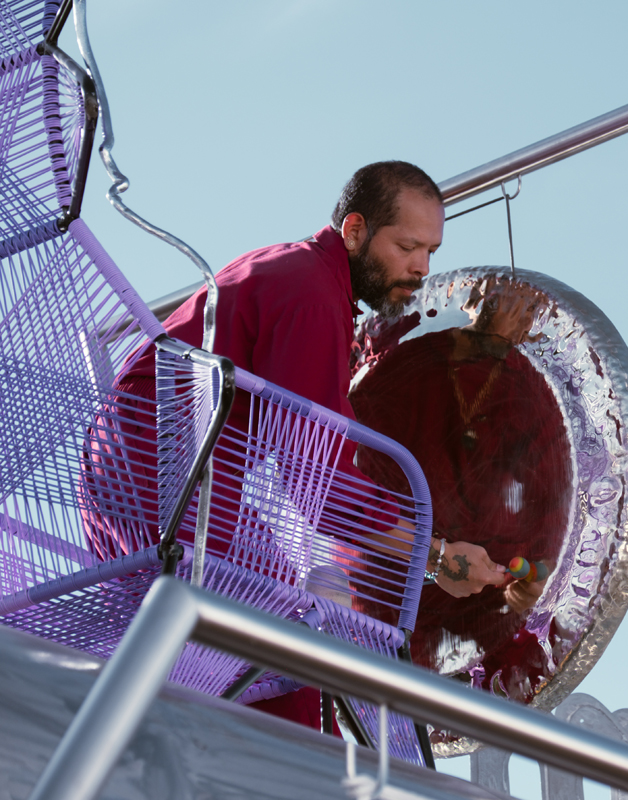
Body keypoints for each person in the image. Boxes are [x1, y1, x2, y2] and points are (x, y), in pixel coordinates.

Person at [82, 161, 508, 729]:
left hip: (144, 474)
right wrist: (435, 554)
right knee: (295, 657)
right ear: (354, 230)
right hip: (164, 480)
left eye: (430, 250)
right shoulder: (310, 293)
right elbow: (318, 483)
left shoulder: (294, 269)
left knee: (272, 637)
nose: (420, 268)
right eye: (407, 246)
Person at [348, 279, 573, 703]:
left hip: (481, 615)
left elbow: (551, 506)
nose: (521, 323)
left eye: (530, 314)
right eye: (513, 307)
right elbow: (352, 476)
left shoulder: (534, 395)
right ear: (479, 302)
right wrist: (433, 554)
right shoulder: (407, 365)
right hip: (385, 587)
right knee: (379, 714)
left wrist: (535, 581)